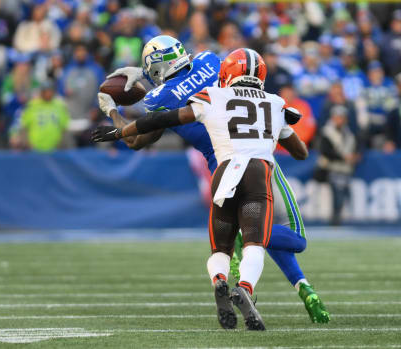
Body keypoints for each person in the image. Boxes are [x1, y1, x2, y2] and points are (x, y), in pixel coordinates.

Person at [106, 35, 329, 323]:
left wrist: (113, 111)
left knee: (242, 239)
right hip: (257, 160)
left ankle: (303, 288)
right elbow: (234, 83)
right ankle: (254, 266)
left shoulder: (159, 99)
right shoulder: (211, 62)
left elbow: (140, 137)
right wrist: (284, 121)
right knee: (278, 235)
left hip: (222, 169)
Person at [314, 105, 358, 226]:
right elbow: (325, 151)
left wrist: (355, 156)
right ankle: (332, 221)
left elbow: (356, 146)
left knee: (342, 197)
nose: (340, 120)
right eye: (337, 117)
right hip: (329, 169)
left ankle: (336, 219)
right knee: (331, 197)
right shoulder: (327, 132)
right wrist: (344, 157)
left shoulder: (349, 133)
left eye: (342, 118)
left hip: (345, 169)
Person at [9, 80, 70, 152]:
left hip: (55, 149)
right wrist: (14, 135)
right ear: (41, 92)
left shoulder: (60, 106)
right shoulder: (32, 106)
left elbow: (66, 126)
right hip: (34, 149)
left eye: (50, 91)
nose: (48, 94)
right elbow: (19, 123)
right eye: (45, 91)